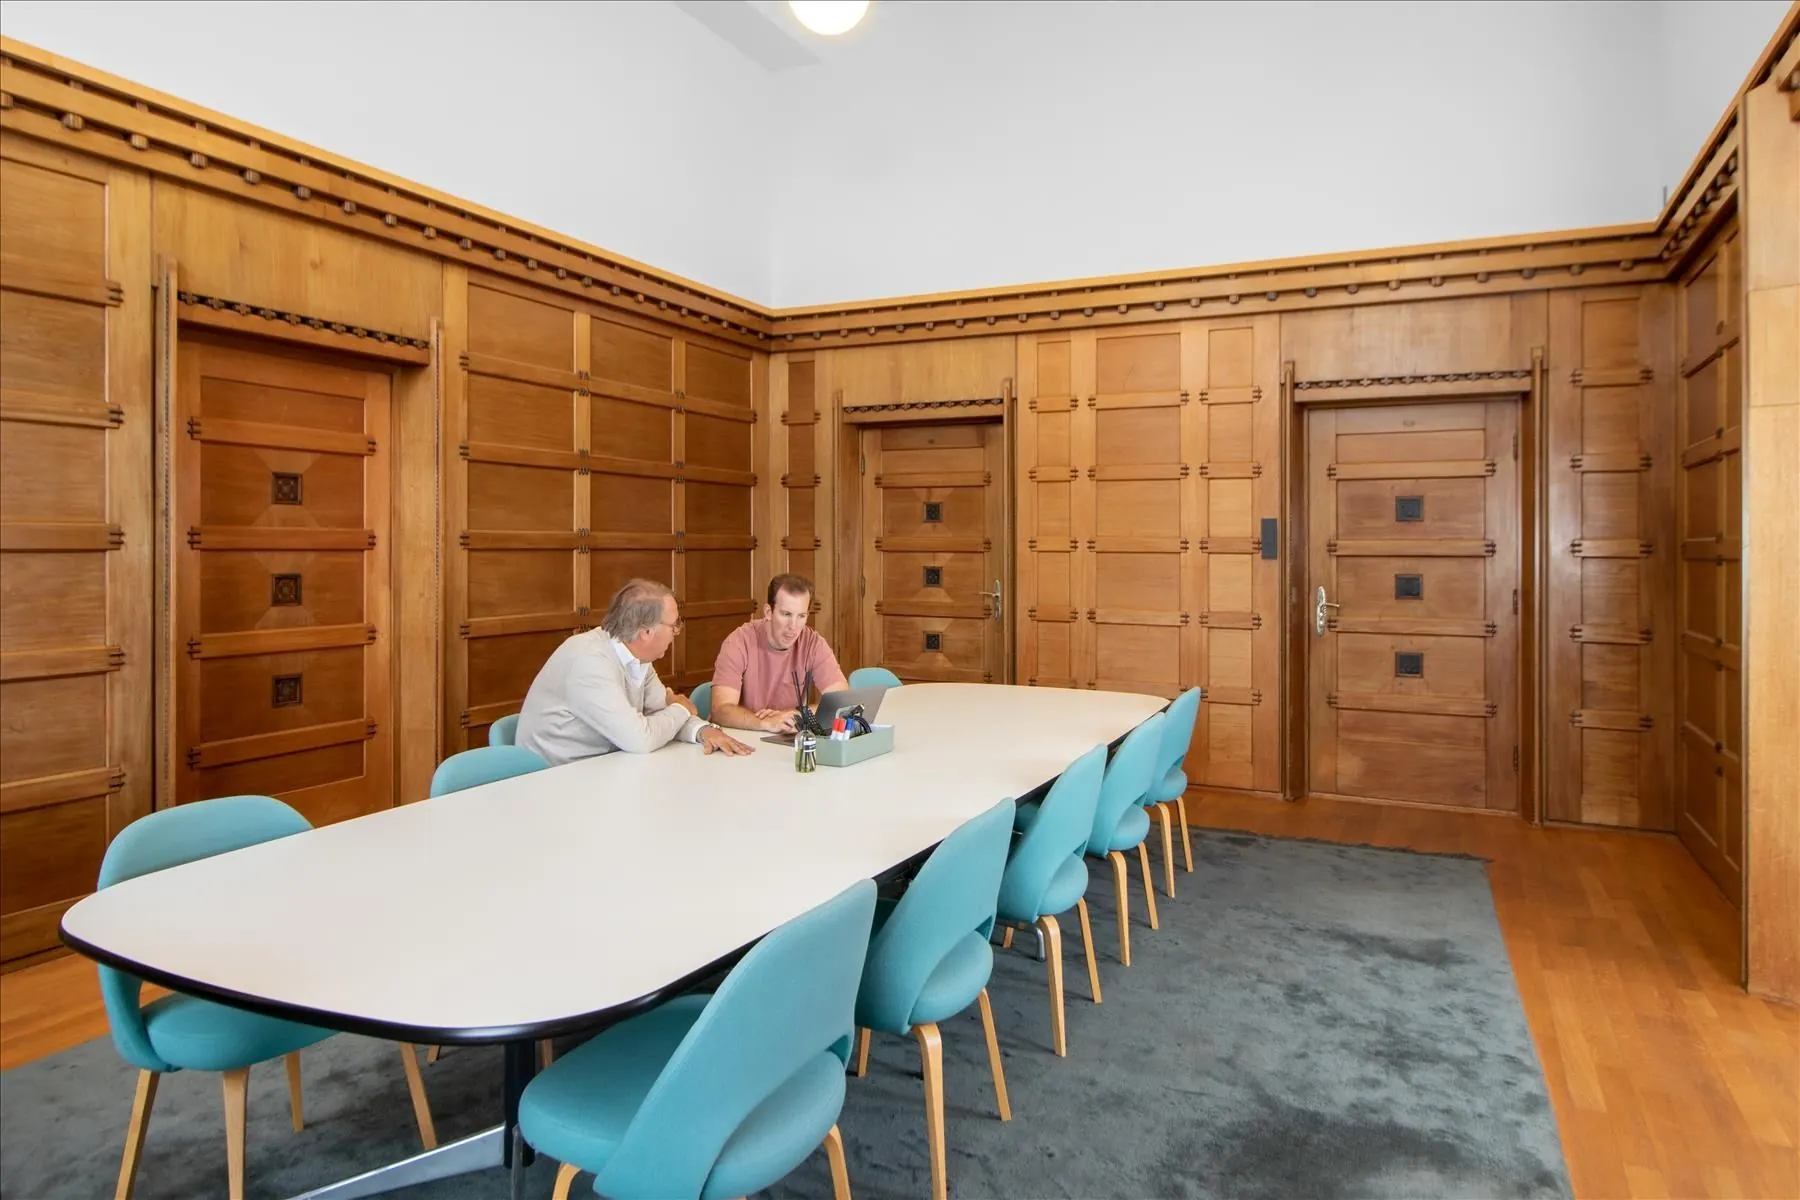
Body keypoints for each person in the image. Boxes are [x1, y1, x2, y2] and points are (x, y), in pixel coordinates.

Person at [516, 579, 753, 765]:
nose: (677, 632)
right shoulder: (588, 662)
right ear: (646, 633)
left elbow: (660, 713)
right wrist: (682, 708)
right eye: (674, 625)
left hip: (606, 765)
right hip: (556, 777)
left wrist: (702, 731)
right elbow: (641, 738)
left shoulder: (637, 656)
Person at [709, 573, 850, 735]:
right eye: (786, 614)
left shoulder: (813, 643)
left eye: (801, 616)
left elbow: (841, 702)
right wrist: (765, 723)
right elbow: (720, 710)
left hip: (787, 737)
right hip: (743, 736)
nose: (793, 626)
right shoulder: (738, 642)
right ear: (768, 612)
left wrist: (794, 716)